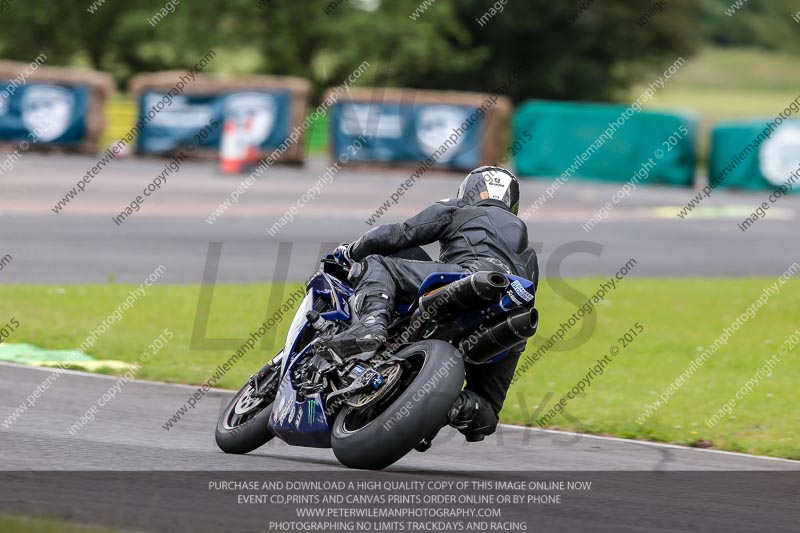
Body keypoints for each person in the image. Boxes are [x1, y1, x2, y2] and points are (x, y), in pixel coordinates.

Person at [322, 166, 538, 443]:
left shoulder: (459, 207)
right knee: (487, 411)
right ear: (513, 202)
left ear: (468, 190)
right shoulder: (530, 253)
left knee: (376, 263)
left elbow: (397, 235)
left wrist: (350, 250)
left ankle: (371, 324)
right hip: (511, 317)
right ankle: (455, 406)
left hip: (468, 277)